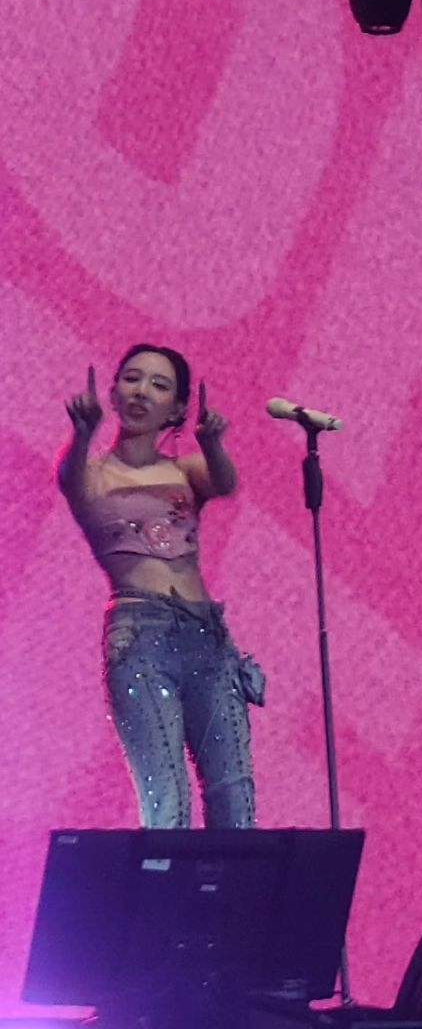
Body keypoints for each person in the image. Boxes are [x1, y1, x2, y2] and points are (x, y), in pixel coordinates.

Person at [58, 344, 260, 828]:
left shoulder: (184, 471)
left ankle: (231, 884)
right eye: (132, 379)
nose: (141, 391)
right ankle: (161, 883)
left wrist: (211, 442)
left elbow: (225, 482)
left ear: (175, 409)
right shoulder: (93, 473)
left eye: (159, 384)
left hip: (207, 638)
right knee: (168, 799)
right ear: (112, 393)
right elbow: (69, 479)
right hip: (141, 640)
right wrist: (82, 434)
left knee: (234, 794)